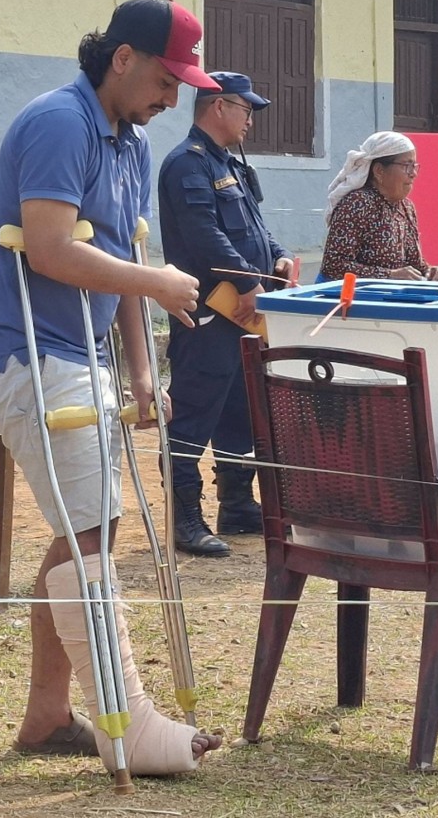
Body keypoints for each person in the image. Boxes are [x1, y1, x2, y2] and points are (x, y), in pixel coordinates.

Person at [0, 0, 222, 773]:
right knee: (90, 535)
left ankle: (48, 717)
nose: (174, 98)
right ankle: (127, 724)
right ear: (122, 59)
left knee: (86, 534)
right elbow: (48, 249)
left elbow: (116, 262)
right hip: (27, 354)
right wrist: (158, 281)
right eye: (167, 79)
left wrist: (143, 371)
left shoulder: (130, 141)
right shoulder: (59, 123)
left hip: (81, 354)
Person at [157, 72, 293, 557]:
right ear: (218, 107)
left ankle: (236, 504)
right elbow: (203, 235)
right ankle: (185, 519)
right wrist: (246, 280)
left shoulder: (228, 163)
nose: (250, 122)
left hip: (244, 312)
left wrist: (277, 256)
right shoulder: (187, 165)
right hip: (210, 313)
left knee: (240, 409)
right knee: (193, 411)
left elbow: (255, 225)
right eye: (246, 110)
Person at [320, 131, 438, 282]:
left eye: (414, 166)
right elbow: (333, 265)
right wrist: (389, 275)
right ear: (379, 171)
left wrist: (430, 272)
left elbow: (414, 264)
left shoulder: (407, 208)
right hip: (349, 299)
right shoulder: (358, 203)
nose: (413, 173)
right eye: (406, 166)